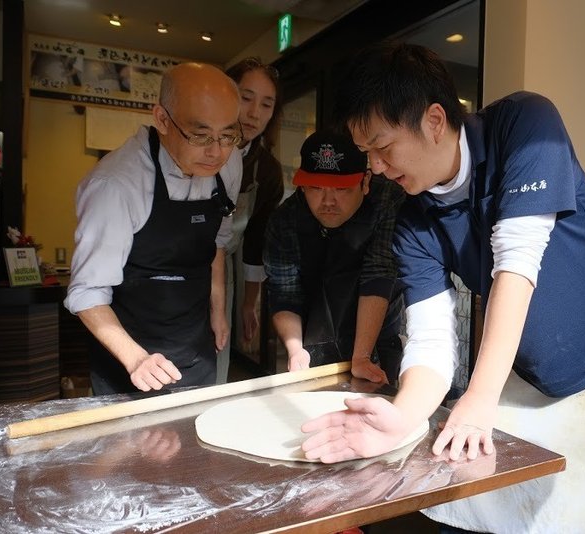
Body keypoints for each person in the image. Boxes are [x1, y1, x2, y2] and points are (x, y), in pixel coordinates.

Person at [300, 43, 585, 534]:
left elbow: (517, 264)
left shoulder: (526, 126)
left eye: (383, 147)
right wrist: (404, 416)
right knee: (497, 511)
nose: (375, 167)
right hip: (516, 367)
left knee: (579, 520)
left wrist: (480, 398)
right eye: (367, 154)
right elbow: (432, 341)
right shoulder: (412, 220)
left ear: (434, 120)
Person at [64, 62, 243, 395]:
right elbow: (87, 293)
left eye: (228, 135)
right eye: (200, 135)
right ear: (162, 119)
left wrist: (219, 312)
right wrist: (135, 360)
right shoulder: (115, 184)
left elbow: (217, 241)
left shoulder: (229, 163)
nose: (216, 151)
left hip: (196, 347)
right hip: (129, 359)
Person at [264, 129, 405, 384]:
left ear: (365, 182)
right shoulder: (284, 220)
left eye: (341, 189)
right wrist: (296, 350)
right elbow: (285, 292)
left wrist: (361, 356)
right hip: (309, 334)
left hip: (378, 332)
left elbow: (378, 274)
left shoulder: (387, 201)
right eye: (316, 188)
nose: (327, 201)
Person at [216, 57, 284, 384]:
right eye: (246, 98)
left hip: (225, 269)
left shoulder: (266, 170)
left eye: (266, 104)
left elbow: (255, 240)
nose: (255, 113)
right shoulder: (198, 149)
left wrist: (248, 303)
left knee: (215, 360)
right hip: (178, 268)